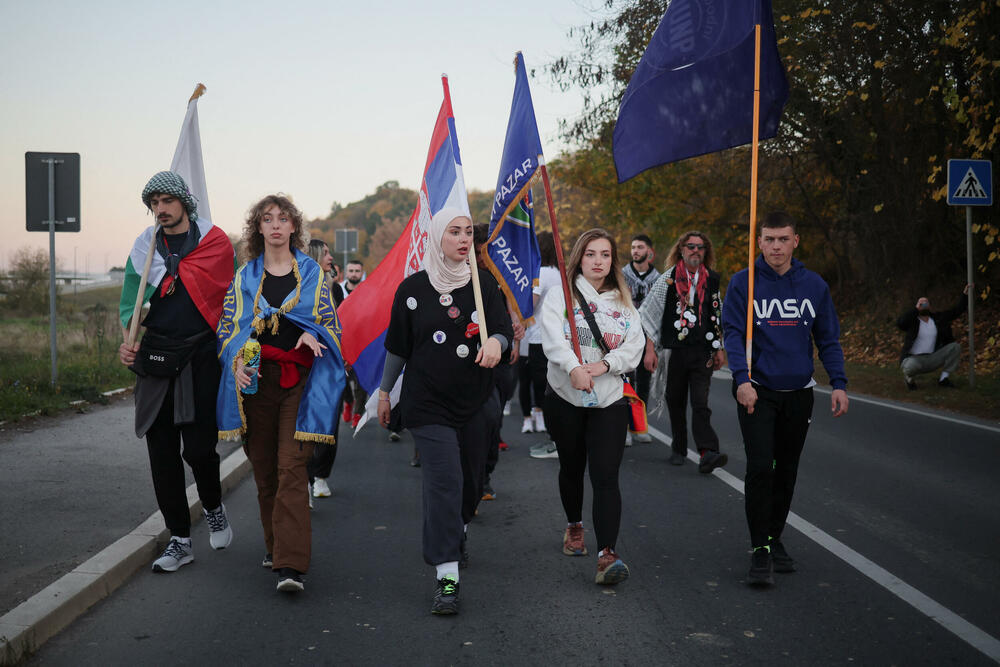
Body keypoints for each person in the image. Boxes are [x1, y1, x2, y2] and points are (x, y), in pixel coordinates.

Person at [377, 208, 512, 615]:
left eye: (468, 232)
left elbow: (503, 329)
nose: (463, 238)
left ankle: (460, 529)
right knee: (444, 483)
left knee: (471, 481)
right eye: (454, 232)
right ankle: (447, 577)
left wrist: (498, 344)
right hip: (428, 403)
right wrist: (385, 393)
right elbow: (398, 347)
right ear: (437, 237)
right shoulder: (412, 289)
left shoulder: (484, 284)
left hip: (475, 401)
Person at [216, 194, 345, 593]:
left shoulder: (313, 275)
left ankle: (290, 566)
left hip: (298, 386)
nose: (275, 225)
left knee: (292, 469)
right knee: (266, 470)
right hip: (255, 386)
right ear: (258, 228)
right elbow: (227, 330)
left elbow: (331, 326)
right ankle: (275, 548)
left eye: (283, 218)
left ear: (294, 227)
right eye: (267, 219)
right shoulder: (244, 277)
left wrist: (312, 332)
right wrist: (237, 362)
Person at [722, 211, 849, 586]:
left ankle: (774, 537)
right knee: (761, 467)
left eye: (783, 239)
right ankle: (759, 549)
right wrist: (741, 379)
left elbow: (827, 338)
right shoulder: (743, 283)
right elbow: (732, 333)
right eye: (769, 239)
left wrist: (838, 382)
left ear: (795, 241)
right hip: (757, 391)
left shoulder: (814, 285)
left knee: (786, 470)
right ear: (759, 242)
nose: (775, 246)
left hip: (799, 393)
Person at [117, 171, 235, 572]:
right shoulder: (142, 248)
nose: (161, 209)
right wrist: (127, 342)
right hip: (155, 358)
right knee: (161, 452)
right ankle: (180, 539)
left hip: (201, 355)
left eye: (167, 200)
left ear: (184, 201)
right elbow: (129, 304)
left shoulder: (214, 242)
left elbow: (229, 301)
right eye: (154, 203)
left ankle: (214, 507)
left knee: (199, 450)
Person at [539, 229, 644, 585]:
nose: (598, 261)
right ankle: (573, 526)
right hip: (565, 398)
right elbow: (552, 336)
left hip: (609, 399)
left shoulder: (624, 303)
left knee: (605, 476)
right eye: (590, 254)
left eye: (605, 255)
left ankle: (606, 554)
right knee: (572, 467)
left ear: (613, 261)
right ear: (578, 259)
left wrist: (601, 367)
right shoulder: (560, 296)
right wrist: (573, 368)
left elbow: (634, 347)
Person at [639, 231, 727, 472]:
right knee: (676, 402)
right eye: (691, 246)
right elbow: (649, 314)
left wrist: (719, 347)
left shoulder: (712, 279)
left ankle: (708, 451)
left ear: (706, 251)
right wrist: (650, 351)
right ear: (681, 249)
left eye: (700, 247)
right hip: (674, 351)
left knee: (700, 403)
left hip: (703, 352)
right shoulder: (667, 280)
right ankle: (678, 448)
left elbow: (716, 314)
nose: (695, 250)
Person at [305, 239, 346, 500]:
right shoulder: (303, 287)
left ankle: (320, 477)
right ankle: (305, 481)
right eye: (326, 253)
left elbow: (345, 323)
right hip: (307, 365)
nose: (330, 257)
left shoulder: (336, 290)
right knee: (306, 425)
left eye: (330, 252)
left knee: (329, 424)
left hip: (332, 365)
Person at [526, 232, 564, 459]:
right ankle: (558, 438)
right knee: (557, 390)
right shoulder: (561, 274)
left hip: (540, 338)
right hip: (558, 338)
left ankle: (556, 440)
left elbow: (530, 306)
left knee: (544, 392)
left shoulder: (541, 274)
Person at [622, 234, 660, 443]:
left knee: (644, 381)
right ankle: (625, 426)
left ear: (649, 252)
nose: (636, 250)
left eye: (640, 247)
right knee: (627, 380)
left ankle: (639, 425)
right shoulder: (621, 275)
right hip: (626, 334)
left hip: (648, 336)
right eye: (633, 247)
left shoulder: (659, 279)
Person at [897, 286, 970, 389]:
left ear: (930, 306)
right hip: (914, 359)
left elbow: (956, 311)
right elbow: (900, 323)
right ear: (917, 306)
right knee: (910, 367)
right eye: (921, 304)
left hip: (932, 358)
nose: (924, 306)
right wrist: (915, 309)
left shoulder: (937, 319)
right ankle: (909, 380)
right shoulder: (912, 321)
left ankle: (943, 379)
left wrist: (965, 295)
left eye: (926, 303)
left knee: (955, 347)